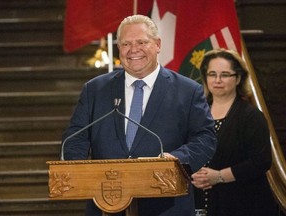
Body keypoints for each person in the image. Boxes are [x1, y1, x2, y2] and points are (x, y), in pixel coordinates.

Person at [62, 14, 216, 216]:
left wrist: (175, 159)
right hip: (107, 204)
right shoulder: (96, 89)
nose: (133, 50)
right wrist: (79, 173)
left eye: (142, 42)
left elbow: (205, 138)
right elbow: (76, 138)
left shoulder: (188, 91)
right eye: (126, 44)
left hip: (167, 205)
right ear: (119, 49)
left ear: (158, 44)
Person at [191, 48, 278, 216]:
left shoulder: (251, 116)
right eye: (212, 74)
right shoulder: (195, 113)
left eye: (224, 75)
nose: (217, 80)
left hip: (243, 202)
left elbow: (261, 161)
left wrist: (219, 176)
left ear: (238, 78)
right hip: (201, 202)